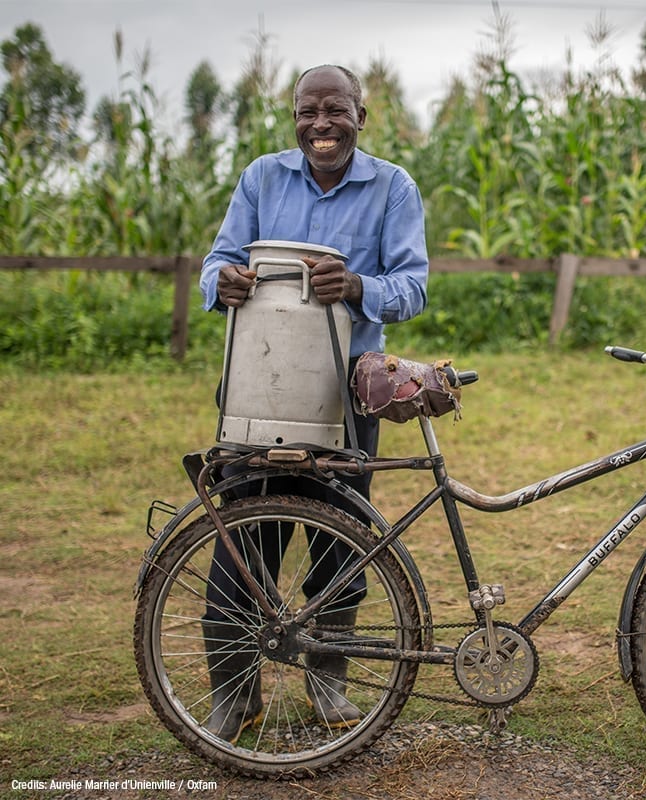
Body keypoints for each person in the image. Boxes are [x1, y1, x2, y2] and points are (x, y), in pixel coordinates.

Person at [198, 64, 429, 742]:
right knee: (243, 538)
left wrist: (358, 286)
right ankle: (235, 694)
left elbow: (413, 285)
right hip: (259, 382)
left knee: (344, 540)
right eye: (308, 111)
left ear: (362, 115)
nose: (320, 124)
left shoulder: (392, 187)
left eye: (335, 110)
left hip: (348, 388)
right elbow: (216, 262)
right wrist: (227, 282)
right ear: (295, 116)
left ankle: (329, 678)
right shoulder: (262, 178)